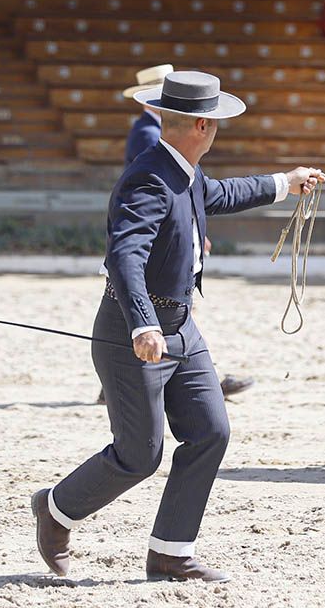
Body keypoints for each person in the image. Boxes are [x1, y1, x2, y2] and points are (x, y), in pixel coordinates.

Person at [33, 70, 324, 582]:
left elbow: (225, 193)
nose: (216, 130)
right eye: (213, 122)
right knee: (138, 456)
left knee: (210, 431)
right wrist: (143, 325)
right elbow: (124, 256)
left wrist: (286, 182)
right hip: (133, 335)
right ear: (199, 126)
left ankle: (170, 554)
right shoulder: (149, 177)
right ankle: (55, 510)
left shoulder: (184, 171)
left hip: (182, 329)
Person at [97, 65, 253, 403]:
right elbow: (156, 194)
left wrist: (189, 228)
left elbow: (199, 194)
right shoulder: (152, 140)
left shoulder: (160, 140)